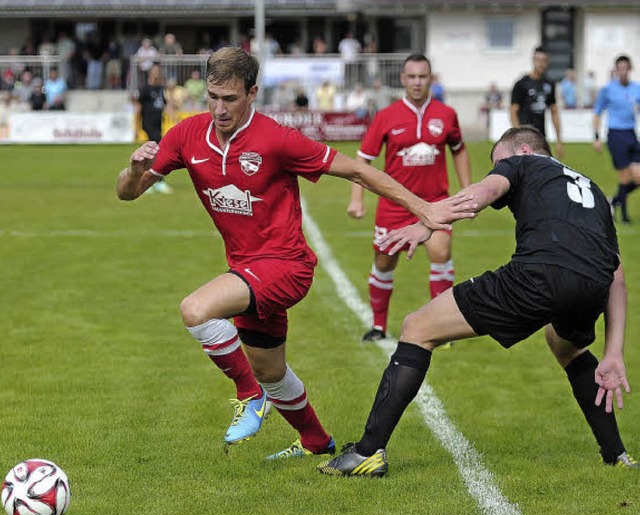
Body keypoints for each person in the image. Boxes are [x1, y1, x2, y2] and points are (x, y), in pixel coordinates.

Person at [115, 47, 475, 460]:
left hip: (287, 267)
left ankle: (249, 395)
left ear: (252, 93)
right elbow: (128, 194)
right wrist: (135, 169)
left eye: (230, 99)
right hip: (246, 272)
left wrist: (424, 207)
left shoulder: (277, 139)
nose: (219, 108)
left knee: (195, 310)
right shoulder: (186, 136)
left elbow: (358, 169)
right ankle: (317, 443)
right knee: (271, 371)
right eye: (212, 97)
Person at [319, 125, 636, 477]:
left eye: (498, 162)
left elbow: (483, 192)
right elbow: (616, 277)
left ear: (525, 152)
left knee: (417, 327)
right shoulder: (590, 187)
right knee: (566, 346)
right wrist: (613, 352)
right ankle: (616, 455)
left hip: (538, 274)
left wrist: (429, 221)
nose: (497, 169)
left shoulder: (522, 163)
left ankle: (367, 452)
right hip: (591, 286)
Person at [348, 53, 471, 342]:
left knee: (441, 253)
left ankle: (441, 327)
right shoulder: (386, 116)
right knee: (384, 263)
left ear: (431, 79)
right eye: (411, 77)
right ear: (403, 79)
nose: (417, 82)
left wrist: (467, 190)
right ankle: (378, 326)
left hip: (435, 204)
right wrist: (357, 199)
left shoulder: (446, 114)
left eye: (422, 76)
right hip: (394, 206)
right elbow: (362, 160)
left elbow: (459, 149)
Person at [593, 55, 640, 224]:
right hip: (616, 135)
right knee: (625, 178)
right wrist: (597, 137)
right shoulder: (608, 90)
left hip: (631, 135)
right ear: (616, 70)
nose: (623, 71)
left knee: (638, 177)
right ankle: (625, 217)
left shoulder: (637, 88)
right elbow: (597, 113)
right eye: (619, 68)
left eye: (625, 68)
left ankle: (612, 202)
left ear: (630, 69)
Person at [510, 46, 563, 158]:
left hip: (541, 137)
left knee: (543, 171)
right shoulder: (522, 84)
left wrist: (559, 140)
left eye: (544, 61)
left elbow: (554, 111)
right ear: (533, 60)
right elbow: (513, 111)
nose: (541, 64)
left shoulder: (549, 84)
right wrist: (518, 135)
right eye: (538, 60)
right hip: (525, 137)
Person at [134, 62, 172, 194]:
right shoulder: (145, 89)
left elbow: (165, 105)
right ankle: (156, 182)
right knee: (157, 151)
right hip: (148, 124)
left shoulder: (161, 88)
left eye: (158, 71)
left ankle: (146, 181)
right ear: (150, 73)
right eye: (155, 71)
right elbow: (138, 108)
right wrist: (136, 127)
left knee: (151, 153)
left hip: (158, 125)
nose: (157, 74)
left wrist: (173, 116)